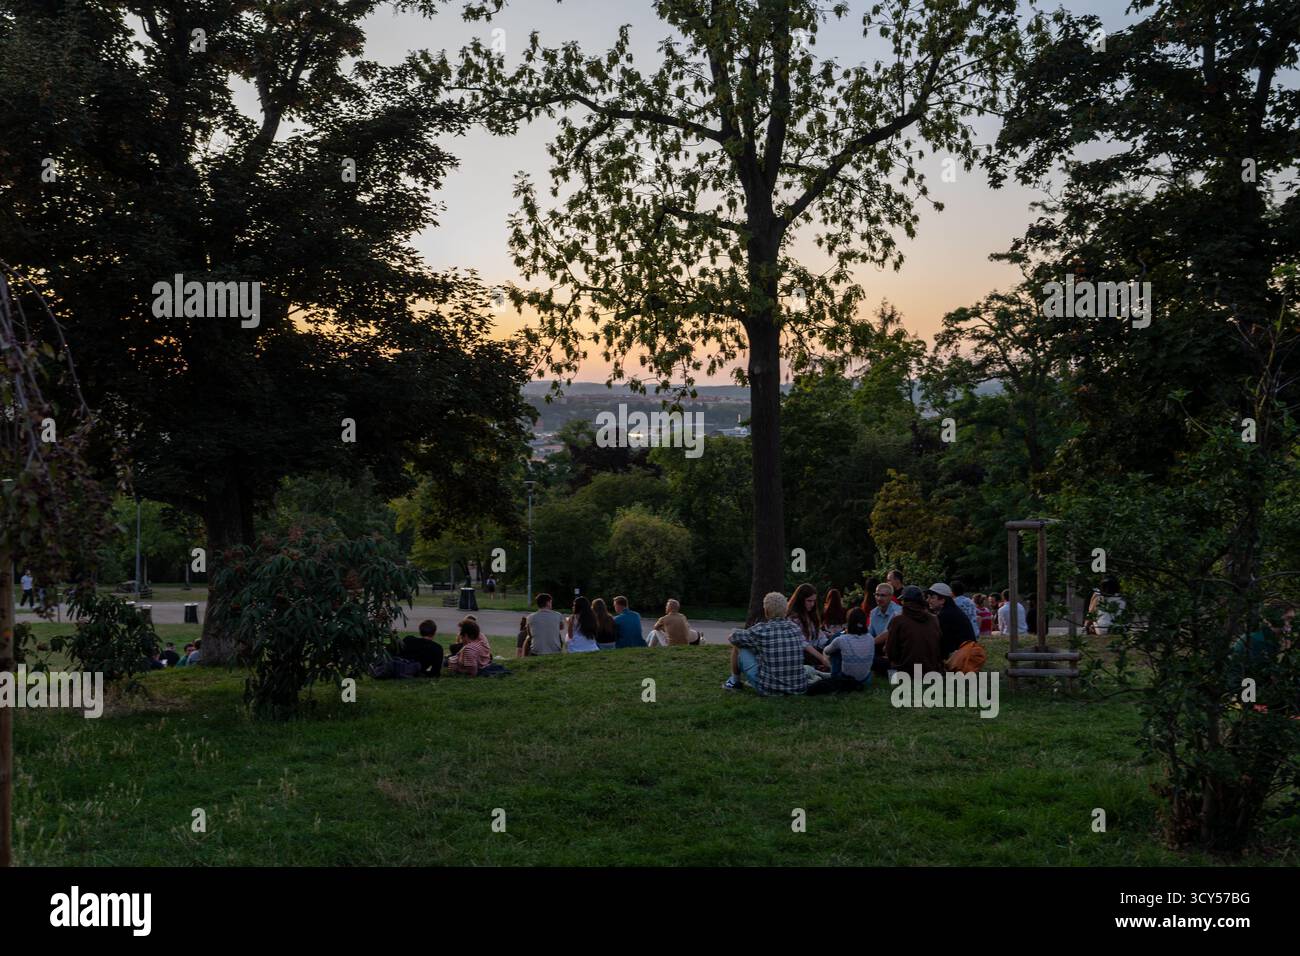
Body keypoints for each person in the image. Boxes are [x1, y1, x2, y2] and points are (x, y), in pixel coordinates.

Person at [722, 591, 808, 695]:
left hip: (769, 689)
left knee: (739, 645)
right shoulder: (795, 628)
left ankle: (734, 681)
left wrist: (736, 632)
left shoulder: (762, 629)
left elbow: (733, 638)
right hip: (798, 687)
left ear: (766, 611)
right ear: (785, 610)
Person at [885, 585, 944, 676]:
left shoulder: (898, 620)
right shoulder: (934, 619)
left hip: (906, 671)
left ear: (904, 601)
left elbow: (891, 652)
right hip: (931, 669)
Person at [825, 607, 874, 686]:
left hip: (845, 681)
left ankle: (833, 674)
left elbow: (826, 651)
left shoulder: (841, 639)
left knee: (835, 649)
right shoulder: (871, 638)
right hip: (865, 680)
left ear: (848, 622)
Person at [926, 583, 973, 659]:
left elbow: (944, 644)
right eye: (928, 597)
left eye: (932, 597)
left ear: (942, 600)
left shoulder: (945, 615)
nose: (928, 600)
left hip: (962, 660)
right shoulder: (952, 611)